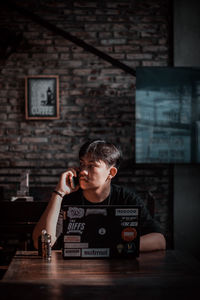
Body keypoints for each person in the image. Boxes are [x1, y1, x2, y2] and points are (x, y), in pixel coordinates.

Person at [32, 139, 166, 252]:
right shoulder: (68, 199)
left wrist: (111, 246)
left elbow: (159, 240)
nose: (83, 171)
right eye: (82, 164)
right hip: (74, 272)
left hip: (117, 273)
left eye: (91, 166)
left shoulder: (126, 198)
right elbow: (41, 244)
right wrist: (59, 193)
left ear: (111, 172)